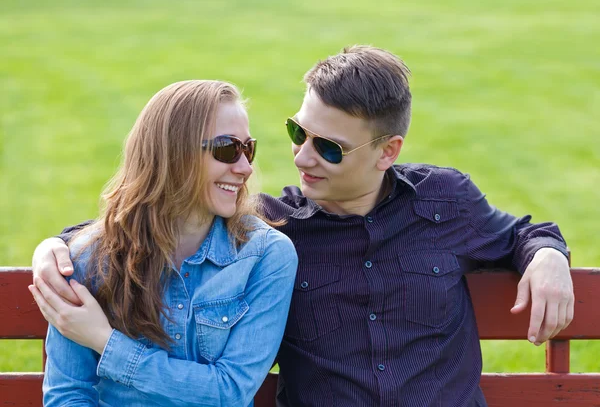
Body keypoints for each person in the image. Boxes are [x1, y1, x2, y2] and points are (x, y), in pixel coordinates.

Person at [32, 47, 574, 407]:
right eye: (298, 132)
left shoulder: (445, 200)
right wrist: (55, 248)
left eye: (329, 147)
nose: (302, 157)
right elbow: (154, 213)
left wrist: (547, 253)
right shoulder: (274, 225)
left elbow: (523, 233)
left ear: (388, 151)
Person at [28, 80, 298, 407]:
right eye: (227, 148)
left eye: (248, 148)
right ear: (172, 153)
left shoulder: (265, 255)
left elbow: (230, 392)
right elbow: (69, 395)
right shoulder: (86, 258)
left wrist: (104, 340)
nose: (244, 167)